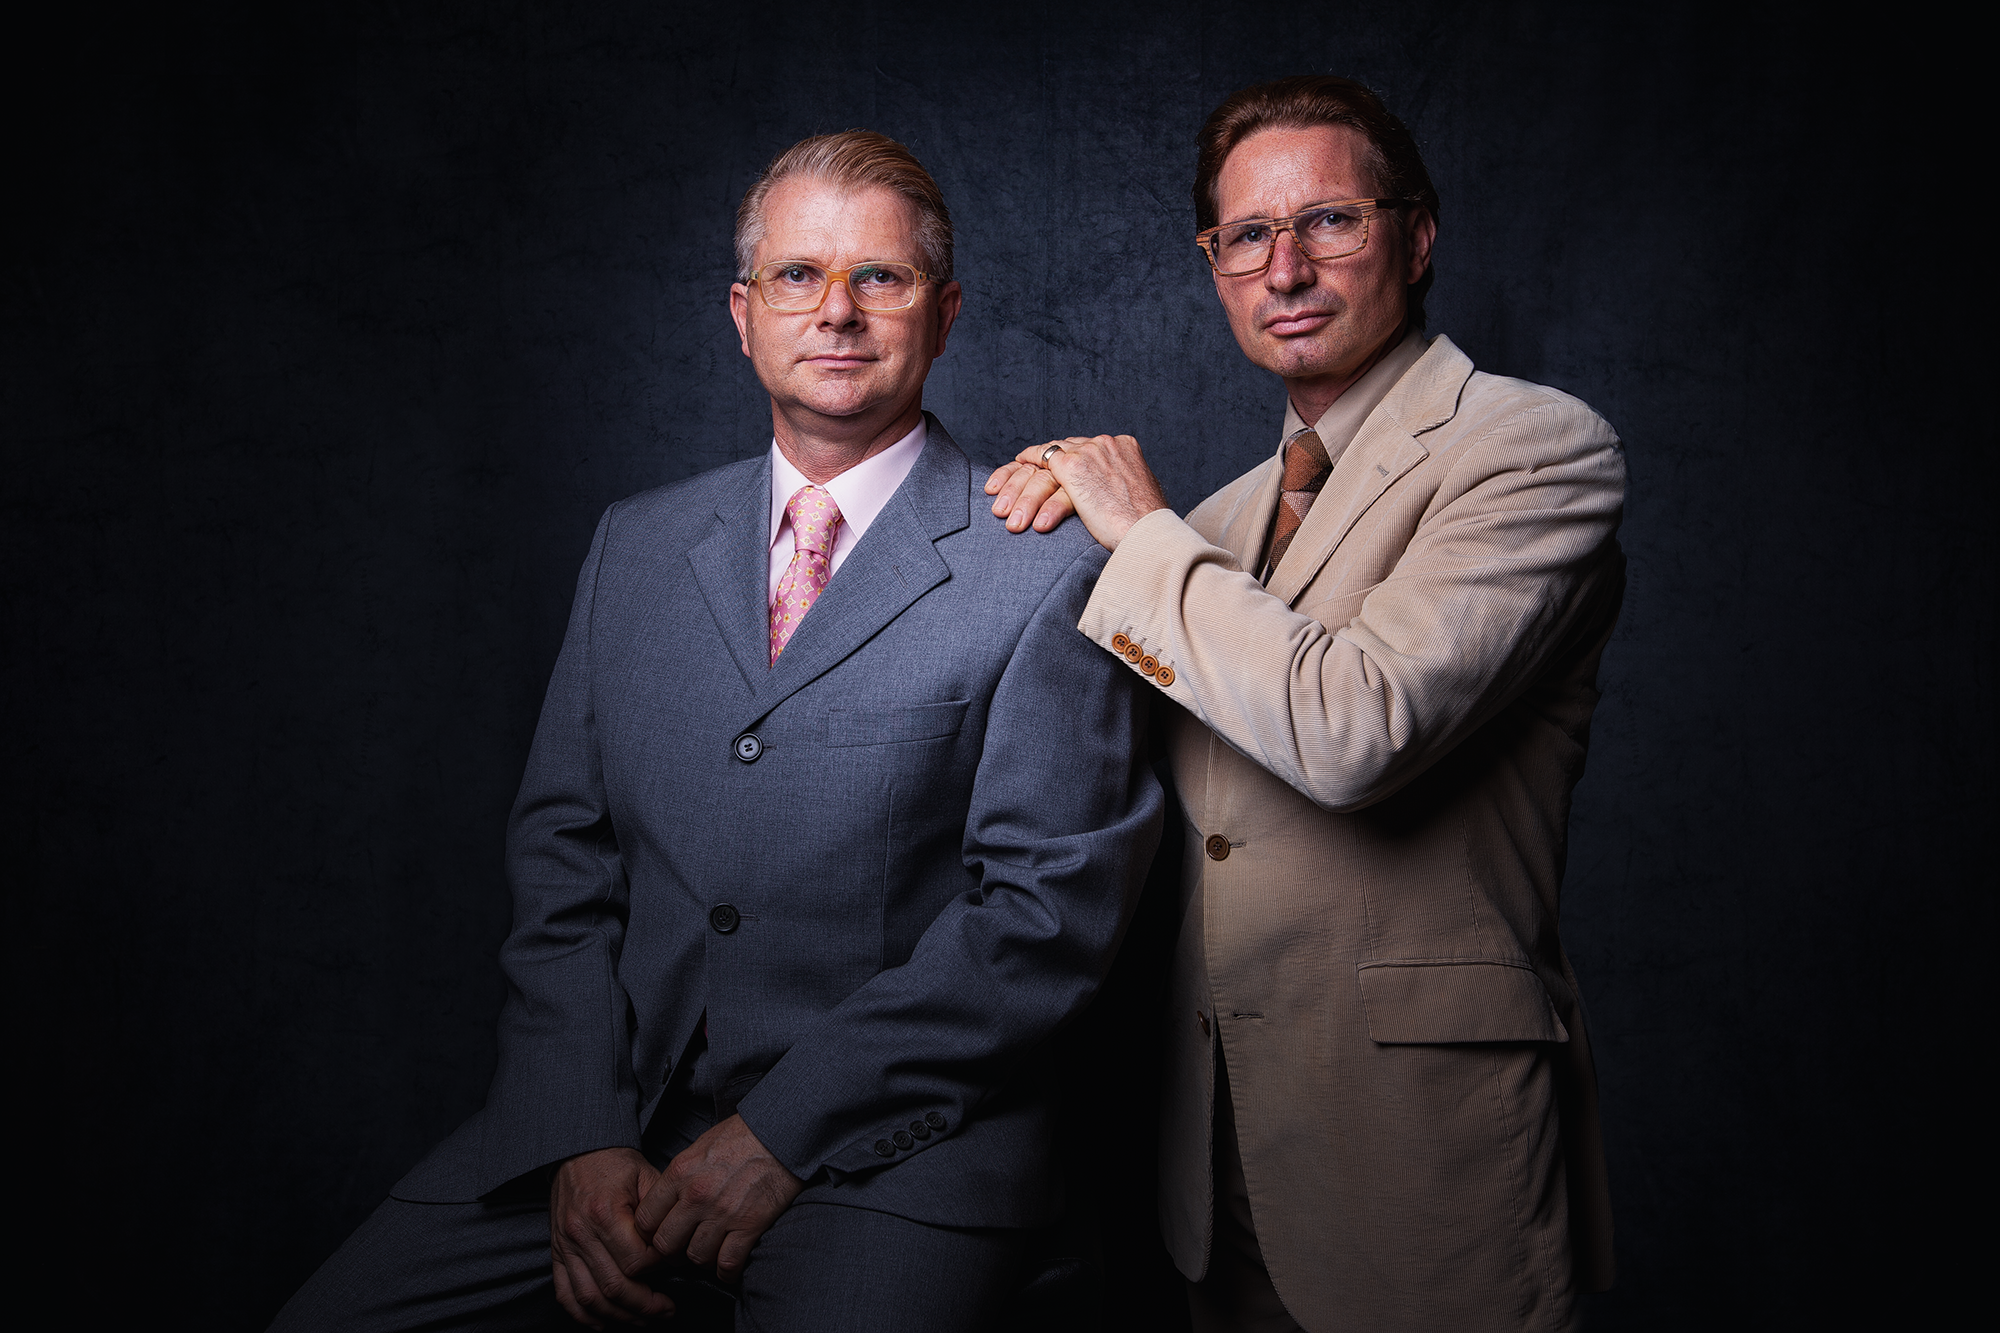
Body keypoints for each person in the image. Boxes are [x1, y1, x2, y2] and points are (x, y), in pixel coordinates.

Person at [272, 130, 1162, 1333]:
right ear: (741, 315)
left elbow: (1039, 923)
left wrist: (780, 1135)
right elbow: (562, 865)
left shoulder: (1045, 566)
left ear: (944, 315)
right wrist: (578, 1130)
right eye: (798, 276)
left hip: (895, 1147)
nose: (835, 312)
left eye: (879, 278)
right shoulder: (634, 546)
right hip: (622, 1112)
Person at [986, 77, 1623, 1332]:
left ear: (1415, 235)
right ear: (1213, 266)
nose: (1284, 267)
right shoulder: (1215, 523)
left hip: (1414, 1151)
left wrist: (1133, 531)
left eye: (1327, 220)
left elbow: (1354, 729)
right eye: (1244, 237)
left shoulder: (1532, 447)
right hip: (1205, 1152)